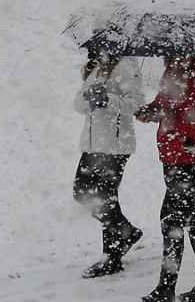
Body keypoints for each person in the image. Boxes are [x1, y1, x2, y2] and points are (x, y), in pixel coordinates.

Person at [136, 56, 195, 302]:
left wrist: (181, 126)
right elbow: (167, 104)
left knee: (172, 220)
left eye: (170, 51)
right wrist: (152, 110)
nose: (165, 56)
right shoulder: (173, 72)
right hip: (175, 159)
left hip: (192, 161)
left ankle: (167, 288)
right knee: (193, 220)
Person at [73, 48, 146, 278]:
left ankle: (112, 257)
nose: (90, 48)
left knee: (105, 196)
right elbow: (77, 104)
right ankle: (126, 232)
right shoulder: (94, 67)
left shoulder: (126, 66)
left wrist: (107, 99)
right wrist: (87, 99)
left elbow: (135, 103)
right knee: (82, 193)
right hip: (93, 145)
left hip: (115, 145)